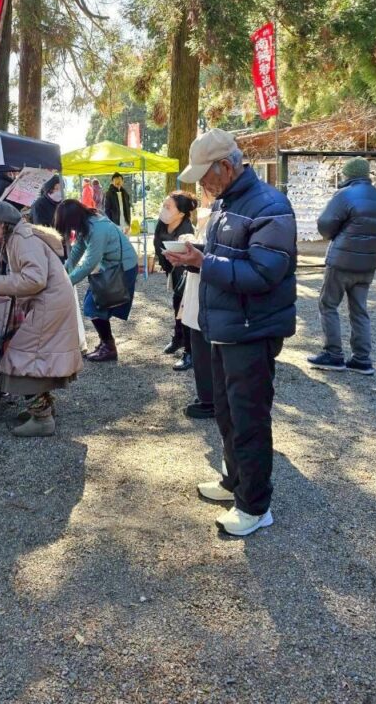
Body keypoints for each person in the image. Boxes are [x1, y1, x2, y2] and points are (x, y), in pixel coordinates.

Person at [165, 130, 297, 537]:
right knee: (226, 412)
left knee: (249, 418)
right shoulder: (227, 202)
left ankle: (255, 506)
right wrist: (197, 256)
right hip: (226, 326)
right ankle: (234, 482)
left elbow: (264, 273)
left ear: (226, 166)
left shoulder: (270, 206)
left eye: (205, 176)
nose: (202, 185)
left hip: (252, 329)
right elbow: (230, 258)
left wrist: (203, 262)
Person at [0, 201, 83, 437]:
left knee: (22, 357)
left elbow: (35, 279)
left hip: (49, 305)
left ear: (1, 225)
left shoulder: (21, 240)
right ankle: (44, 408)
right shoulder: (21, 236)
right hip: (52, 302)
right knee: (38, 358)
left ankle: (42, 418)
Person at [308, 157, 376, 376]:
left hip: (342, 261)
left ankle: (333, 354)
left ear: (348, 174)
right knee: (359, 310)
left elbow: (325, 224)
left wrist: (336, 235)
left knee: (328, 304)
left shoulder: (345, 195)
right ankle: (362, 359)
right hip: (368, 264)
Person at [55, 199, 139, 362]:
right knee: (95, 305)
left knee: (93, 306)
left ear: (73, 219)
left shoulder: (97, 228)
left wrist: (66, 283)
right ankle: (105, 343)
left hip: (123, 268)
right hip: (111, 266)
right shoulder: (87, 223)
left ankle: (109, 347)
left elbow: (89, 264)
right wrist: (63, 272)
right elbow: (77, 250)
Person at [179, 194, 215, 418]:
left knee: (204, 346)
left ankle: (210, 399)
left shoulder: (222, 213)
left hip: (209, 287)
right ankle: (207, 396)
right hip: (198, 285)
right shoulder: (208, 213)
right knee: (198, 341)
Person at [153, 192, 198, 372]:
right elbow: (157, 246)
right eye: (164, 205)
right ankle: (178, 338)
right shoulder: (161, 224)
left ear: (180, 213)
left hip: (186, 271)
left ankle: (190, 352)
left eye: (168, 207)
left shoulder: (187, 231)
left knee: (184, 308)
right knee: (176, 303)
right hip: (171, 270)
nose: (163, 210)